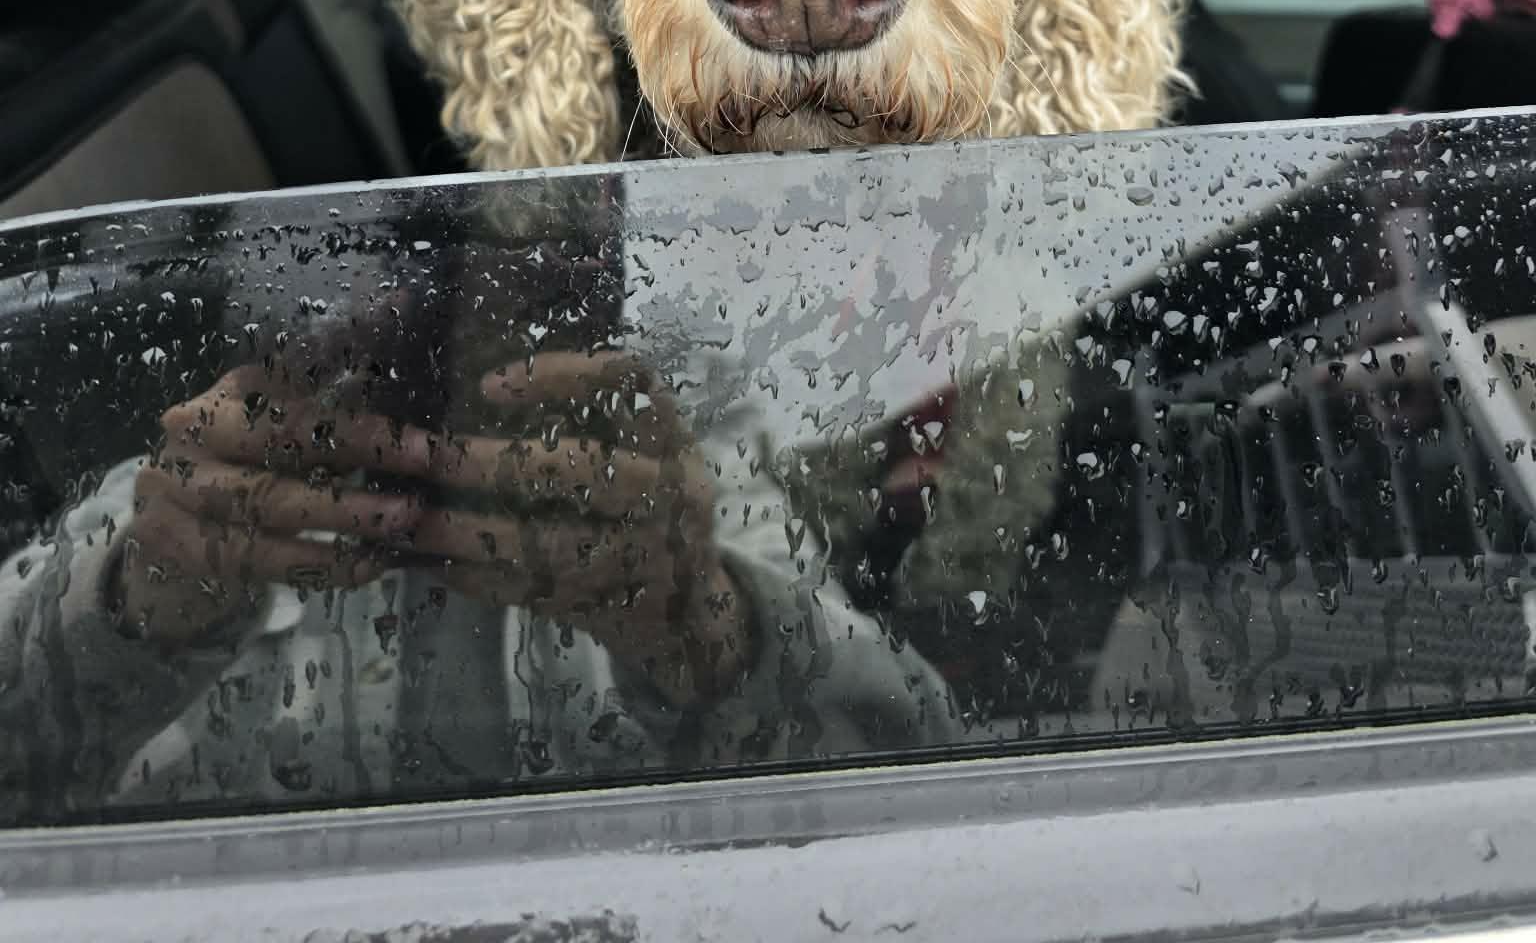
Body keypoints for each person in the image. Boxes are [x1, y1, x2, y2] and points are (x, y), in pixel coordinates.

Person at [0, 231, 956, 820]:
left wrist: (706, 623)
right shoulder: (180, 499)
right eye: (336, 276)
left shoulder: (676, 470)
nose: (402, 324)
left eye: (497, 269)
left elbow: (916, 765)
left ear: (593, 288)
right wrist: (129, 608)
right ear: (247, 327)